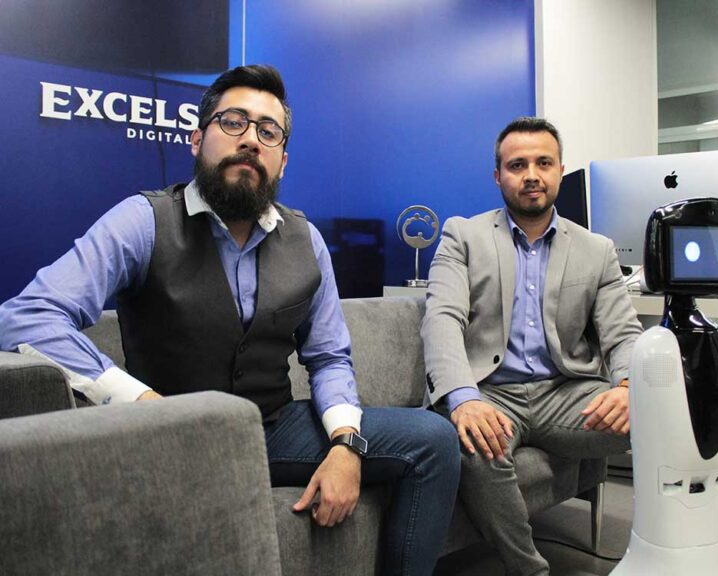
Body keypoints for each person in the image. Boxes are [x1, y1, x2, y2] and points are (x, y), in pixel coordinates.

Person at [0, 64, 460, 576]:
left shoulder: (305, 240)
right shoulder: (143, 220)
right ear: (198, 139)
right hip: (169, 435)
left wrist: (345, 444)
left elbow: (330, 357)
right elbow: (27, 317)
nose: (250, 140)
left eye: (268, 131)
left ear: (282, 161)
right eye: (233, 122)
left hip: (274, 425)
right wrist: (144, 406)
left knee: (434, 439)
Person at [421, 117, 643, 575]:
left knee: (654, 413)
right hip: (490, 391)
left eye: (543, 163)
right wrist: (462, 398)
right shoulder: (463, 236)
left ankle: (659, 548)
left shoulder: (596, 249)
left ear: (560, 170)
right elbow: (442, 319)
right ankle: (530, 569)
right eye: (517, 165)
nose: (531, 175)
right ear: (497, 176)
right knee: (473, 443)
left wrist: (626, 387)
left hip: (566, 392)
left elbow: (623, 334)